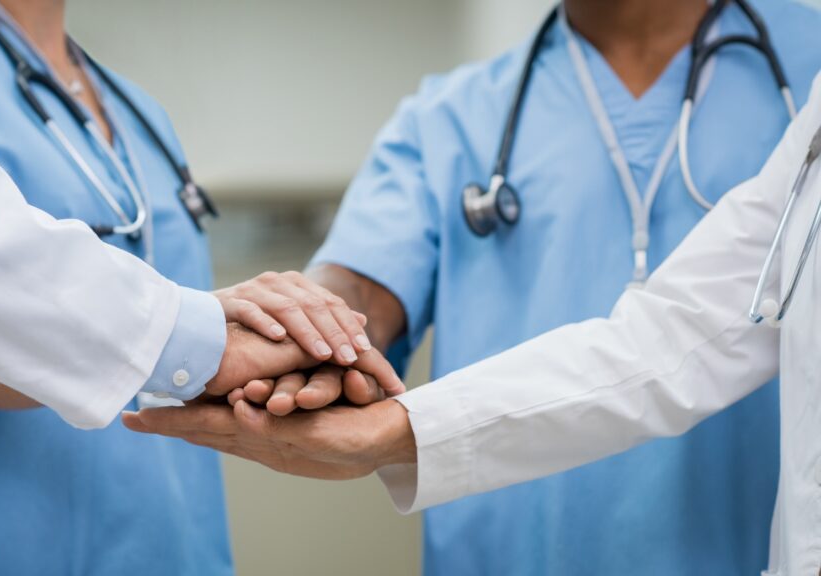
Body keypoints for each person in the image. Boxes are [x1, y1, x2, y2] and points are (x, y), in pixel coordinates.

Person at [136, 0, 821, 574]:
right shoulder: (453, 117)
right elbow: (361, 287)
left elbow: (683, 339)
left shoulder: (809, 63)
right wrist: (303, 326)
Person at [0, 2, 395, 576]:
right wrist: (190, 348)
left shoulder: (141, 114)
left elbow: (202, 344)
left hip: (171, 542)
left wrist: (269, 356)